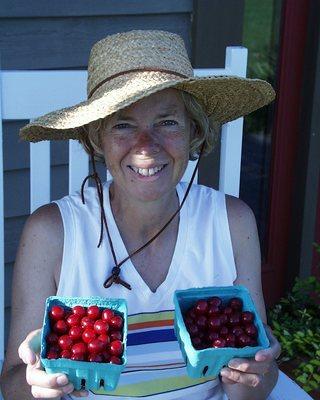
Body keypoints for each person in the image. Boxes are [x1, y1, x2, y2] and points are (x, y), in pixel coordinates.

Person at [0, 30, 281, 400]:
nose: (146, 146)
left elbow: (256, 381)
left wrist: (253, 375)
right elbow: (12, 384)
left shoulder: (231, 224)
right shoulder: (52, 234)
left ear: (194, 130)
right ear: (97, 138)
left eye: (167, 122)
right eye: (123, 125)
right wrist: (38, 385)